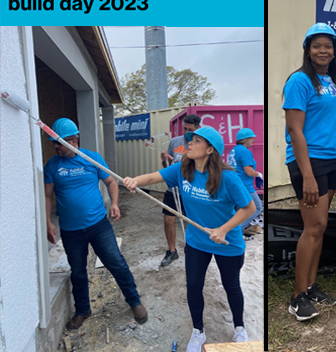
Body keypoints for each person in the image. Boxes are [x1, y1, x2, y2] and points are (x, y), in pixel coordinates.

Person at [123, 127, 255, 350]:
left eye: (196, 141)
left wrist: (222, 229)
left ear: (210, 149)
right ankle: (198, 331)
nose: (189, 144)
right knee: (193, 286)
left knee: (231, 286)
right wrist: (134, 180)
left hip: (227, 243)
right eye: (189, 141)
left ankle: (240, 328)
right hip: (197, 241)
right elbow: (155, 176)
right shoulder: (183, 170)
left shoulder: (228, 178)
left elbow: (248, 208)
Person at [43, 118, 147, 330]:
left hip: (99, 225)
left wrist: (115, 204)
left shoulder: (92, 159)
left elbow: (110, 181)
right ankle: (83, 310)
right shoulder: (53, 165)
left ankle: (134, 301)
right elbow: (47, 196)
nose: (54, 146)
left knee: (116, 262)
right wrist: (47, 222)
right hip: (71, 231)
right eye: (53, 141)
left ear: (72, 141)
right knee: (78, 271)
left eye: (57, 142)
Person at [283, 23, 336, 321]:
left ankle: (310, 286)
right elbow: (295, 130)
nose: (323, 50)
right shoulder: (299, 81)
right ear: (308, 49)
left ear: (334, 51)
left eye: (328, 46)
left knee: (320, 227)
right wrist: (307, 175)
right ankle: (297, 298)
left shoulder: (332, 81)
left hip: (334, 159)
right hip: (311, 162)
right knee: (314, 225)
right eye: (317, 45)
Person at [159, 114, 201, 266]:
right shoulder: (174, 142)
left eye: (190, 129)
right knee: (168, 219)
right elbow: (167, 167)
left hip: (191, 190)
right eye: (185, 128)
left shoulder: (200, 144)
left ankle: (195, 250)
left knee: (193, 221)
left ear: (197, 129)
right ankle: (172, 251)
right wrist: (164, 159)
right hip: (173, 189)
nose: (186, 131)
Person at [227, 128, 263, 236]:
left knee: (241, 210)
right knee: (256, 207)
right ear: (245, 139)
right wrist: (258, 174)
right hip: (245, 186)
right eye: (251, 138)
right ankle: (237, 230)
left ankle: (237, 232)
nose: (253, 140)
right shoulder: (245, 151)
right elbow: (248, 171)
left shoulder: (234, 150)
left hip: (235, 184)